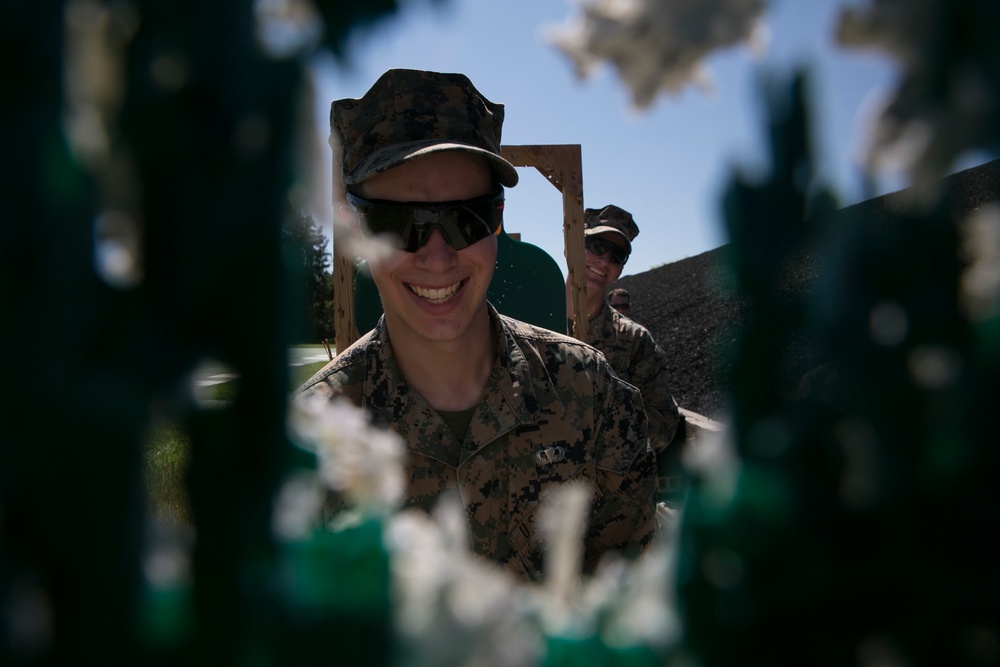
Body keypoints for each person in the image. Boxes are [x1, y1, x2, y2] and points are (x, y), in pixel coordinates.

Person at [295, 69, 657, 582]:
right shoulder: (310, 444)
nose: (437, 257)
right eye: (396, 224)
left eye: (467, 217)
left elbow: (628, 618)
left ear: (499, 217)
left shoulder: (593, 397)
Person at [565, 205, 681, 458]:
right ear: (569, 246)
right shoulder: (527, 321)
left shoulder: (634, 341)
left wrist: (604, 419)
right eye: (596, 246)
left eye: (617, 256)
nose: (605, 260)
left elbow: (664, 427)